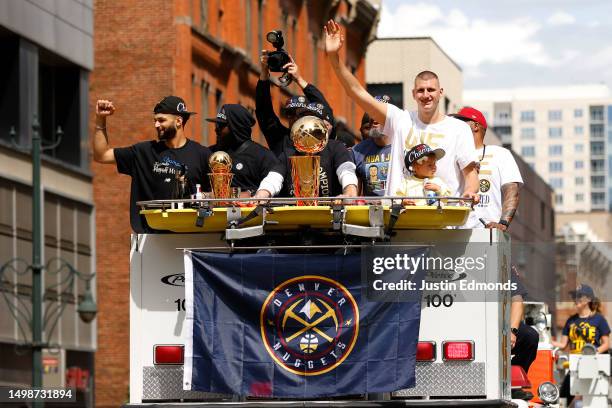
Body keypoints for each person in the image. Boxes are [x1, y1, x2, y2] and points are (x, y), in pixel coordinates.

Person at [324, 20, 479, 204]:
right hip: (401, 224)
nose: (426, 95)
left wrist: (469, 192)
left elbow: (471, 175)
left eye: (431, 90)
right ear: (413, 94)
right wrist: (334, 57)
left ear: (440, 93)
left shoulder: (459, 129)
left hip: (445, 225)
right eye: (421, 90)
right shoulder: (400, 120)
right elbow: (357, 93)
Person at [93, 96, 212, 233]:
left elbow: (217, 196)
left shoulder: (202, 154)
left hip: (193, 237)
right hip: (151, 238)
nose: (156, 125)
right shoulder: (144, 152)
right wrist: (100, 119)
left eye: (161, 120)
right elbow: (101, 155)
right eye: (155, 120)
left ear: (178, 121)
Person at [451, 107, 522, 230]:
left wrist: (503, 223)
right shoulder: (450, 154)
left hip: (485, 232)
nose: (455, 126)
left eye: (461, 121)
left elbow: (511, 190)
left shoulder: (500, 154)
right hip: (451, 232)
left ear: (475, 126)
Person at [256, 51, 334, 157]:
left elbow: (325, 110)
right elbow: (264, 111)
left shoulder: (321, 139)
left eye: (300, 114)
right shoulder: (281, 139)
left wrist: (299, 79)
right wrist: (264, 73)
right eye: (290, 113)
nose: (295, 118)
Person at [279, 102, 358, 198]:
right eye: (303, 118)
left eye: (312, 119)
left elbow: (346, 169)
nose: (306, 123)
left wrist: (350, 190)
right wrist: (263, 193)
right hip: (296, 210)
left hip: (329, 210)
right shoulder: (290, 150)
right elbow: (275, 176)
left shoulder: (335, 147)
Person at [206, 104, 284, 199]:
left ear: (236, 128)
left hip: (249, 213)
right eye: (217, 124)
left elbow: (276, 192)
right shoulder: (210, 153)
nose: (216, 129)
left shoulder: (262, 156)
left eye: (221, 125)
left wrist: (249, 194)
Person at [552, 284, 610, 404]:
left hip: (593, 364)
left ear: (588, 299)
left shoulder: (599, 319)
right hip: (574, 366)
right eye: (574, 296)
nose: (575, 299)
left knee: (594, 401)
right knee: (562, 400)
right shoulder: (571, 320)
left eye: (579, 296)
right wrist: (546, 341)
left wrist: (592, 352)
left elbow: (606, 344)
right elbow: (563, 345)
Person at [352, 95, 393, 196]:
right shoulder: (356, 151)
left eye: (379, 113)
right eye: (371, 112)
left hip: (401, 209)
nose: (374, 118)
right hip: (372, 210)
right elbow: (354, 195)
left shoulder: (405, 144)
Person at [509, 266, 539, 374]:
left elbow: (517, 299)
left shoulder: (504, 264)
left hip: (502, 326)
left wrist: (512, 331)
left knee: (530, 336)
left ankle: (514, 375)